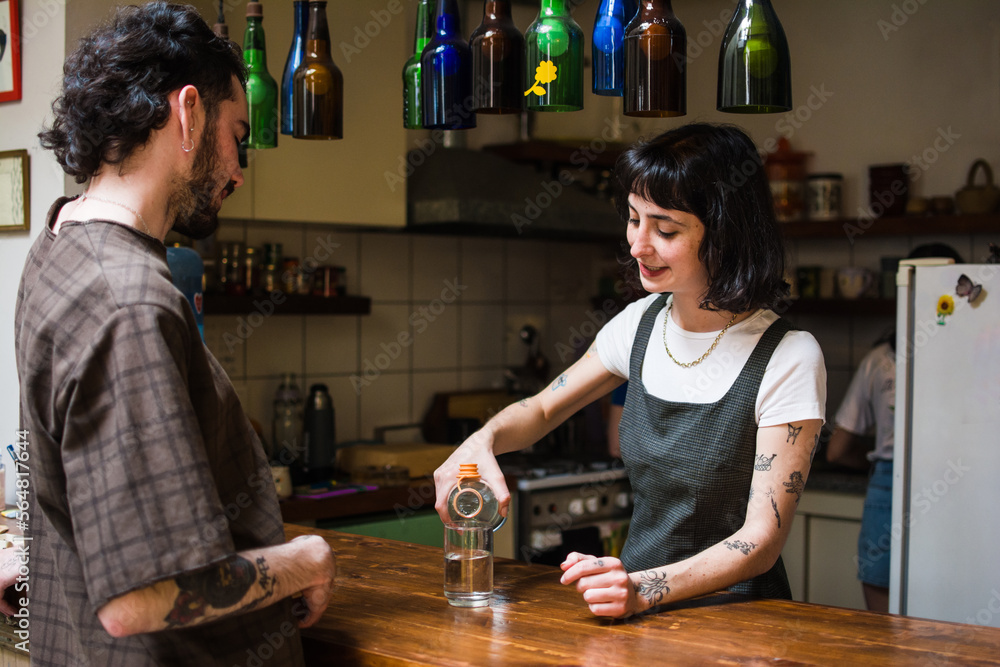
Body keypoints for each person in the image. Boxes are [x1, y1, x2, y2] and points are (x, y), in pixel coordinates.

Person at [14, 4, 335, 664]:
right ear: (188, 113)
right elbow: (140, 599)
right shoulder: (126, 297)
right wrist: (304, 561)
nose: (240, 169)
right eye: (238, 136)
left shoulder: (58, 239)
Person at [433, 123, 826, 618]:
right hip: (633, 614)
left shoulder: (789, 355)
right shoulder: (639, 324)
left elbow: (760, 541)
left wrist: (644, 589)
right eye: (634, 219)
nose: (639, 244)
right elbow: (540, 409)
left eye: (665, 229)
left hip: (739, 622)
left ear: (726, 233)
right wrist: (481, 441)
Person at [827, 243, 964, 613]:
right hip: (962, 483)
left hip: (890, 485)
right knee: (955, 604)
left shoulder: (878, 360)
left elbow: (837, 449)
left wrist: (875, 464)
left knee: (884, 618)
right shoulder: (976, 353)